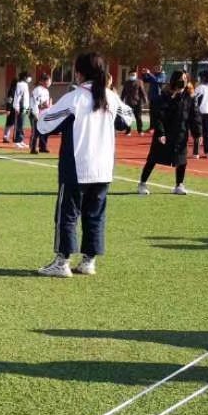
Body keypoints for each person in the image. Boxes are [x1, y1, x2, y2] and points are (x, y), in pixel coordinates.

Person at [36, 52, 132, 278]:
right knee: (95, 214)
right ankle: (89, 261)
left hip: (77, 166)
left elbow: (43, 125)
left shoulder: (74, 98)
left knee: (67, 214)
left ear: (79, 73)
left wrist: (45, 111)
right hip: (104, 168)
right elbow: (127, 119)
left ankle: (62, 262)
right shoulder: (110, 96)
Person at [138, 70, 192, 195]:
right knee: (153, 159)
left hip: (180, 134)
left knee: (182, 160)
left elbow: (193, 115)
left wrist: (198, 132)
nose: (183, 82)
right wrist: (161, 133)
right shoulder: (163, 97)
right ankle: (142, 183)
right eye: (180, 79)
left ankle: (179, 185)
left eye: (185, 78)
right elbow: (158, 117)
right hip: (164, 134)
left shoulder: (187, 97)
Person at [191, 69, 208, 159]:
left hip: (200, 113)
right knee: (207, 133)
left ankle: (196, 153)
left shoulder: (199, 88)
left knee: (198, 134)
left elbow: (195, 101)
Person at [120, 70, 148, 136]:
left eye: (134, 74)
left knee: (138, 117)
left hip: (138, 102)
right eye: (131, 75)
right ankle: (128, 131)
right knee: (128, 117)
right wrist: (120, 101)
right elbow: (123, 93)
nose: (132, 76)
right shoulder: (126, 83)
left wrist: (145, 100)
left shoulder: (139, 82)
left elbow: (143, 92)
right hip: (128, 102)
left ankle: (140, 130)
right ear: (129, 75)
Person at [6, 73, 31, 148]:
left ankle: (21, 140)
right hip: (20, 106)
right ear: (25, 77)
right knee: (19, 124)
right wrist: (16, 106)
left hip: (25, 106)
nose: (30, 78)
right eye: (29, 77)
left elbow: (26, 97)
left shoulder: (25, 85)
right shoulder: (20, 84)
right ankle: (17, 141)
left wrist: (27, 108)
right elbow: (17, 96)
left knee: (23, 124)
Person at [29, 76, 53, 154]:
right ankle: (33, 148)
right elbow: (35, 103)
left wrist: (49, 106)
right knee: (36, 131)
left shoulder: (46, 91)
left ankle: (43, 147)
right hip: (36, 113)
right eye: (49, 81)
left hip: (44, 114)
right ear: (43, 81)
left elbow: (46, 103)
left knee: (45, 130)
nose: (50, 83)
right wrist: (36, 114)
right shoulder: (38, 90)